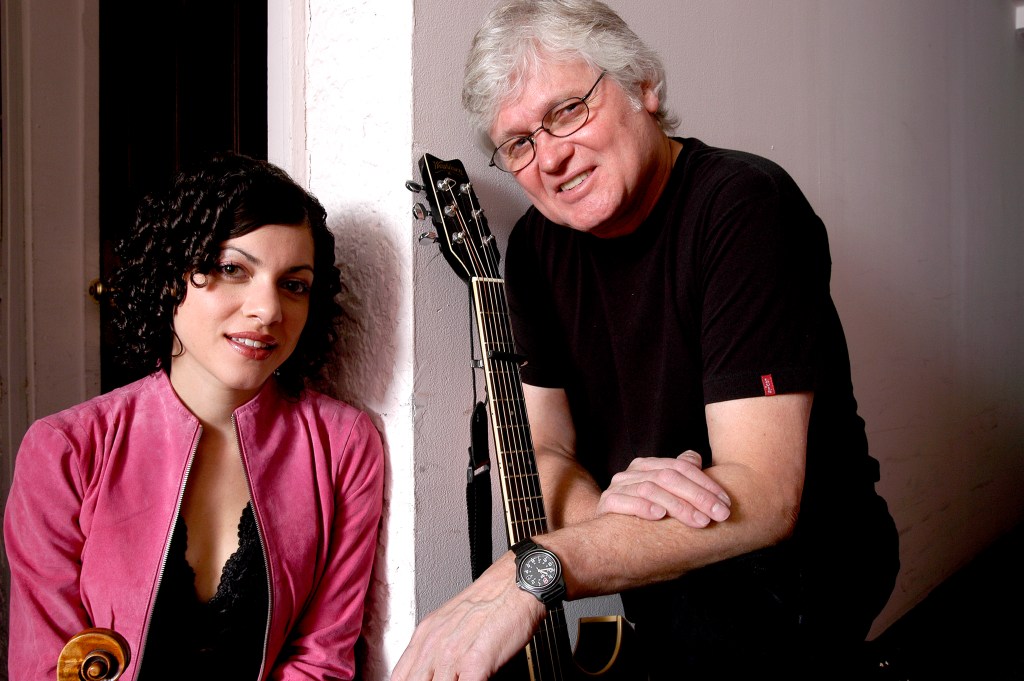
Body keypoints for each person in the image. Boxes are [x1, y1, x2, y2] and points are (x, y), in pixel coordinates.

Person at [393, 1, 899, 678]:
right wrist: (604, 510)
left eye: (568, 110)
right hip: (658, 579)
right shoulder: (536, 250)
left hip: (800, 579)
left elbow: (762, 494)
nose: (551, 157)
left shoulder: (745, 206)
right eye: (518, 144)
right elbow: (545, 447)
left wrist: (535, 570)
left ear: (644, 87)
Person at [4, 152, 384, 681]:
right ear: (170, 275)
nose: (268, 310)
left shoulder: (342, 445)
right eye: (232, 269)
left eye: (293, 284)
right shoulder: (65, 449)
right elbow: (44, 664)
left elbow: (322, 658)